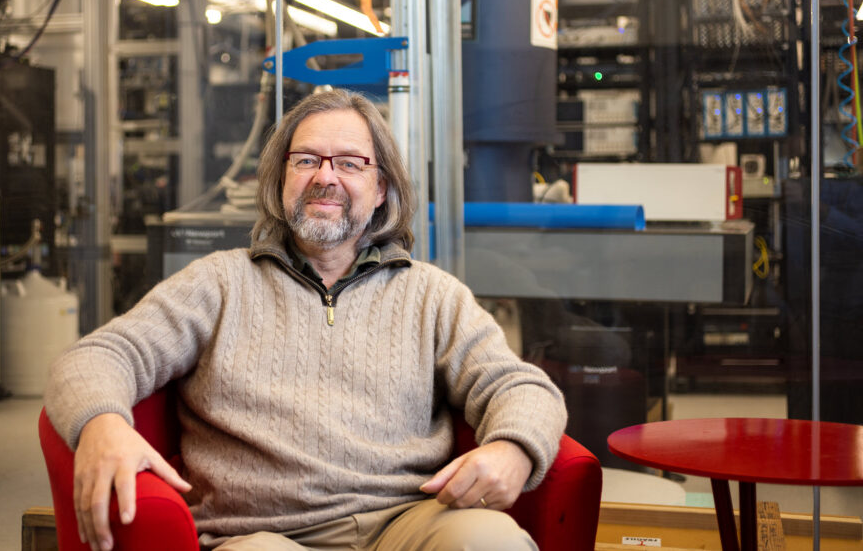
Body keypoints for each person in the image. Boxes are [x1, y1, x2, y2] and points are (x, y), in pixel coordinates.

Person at [45, 89, 567, 551]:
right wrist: (102, 424)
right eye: (307, 161)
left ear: (381, 188)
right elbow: (95, 357)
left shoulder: (432, 295)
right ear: (281, 178)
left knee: (490, 541)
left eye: (349, 163)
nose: (325, 177)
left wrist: (513, 448)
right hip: (263, 533)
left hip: (408, 523)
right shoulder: (217, 285)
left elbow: (521, 386)